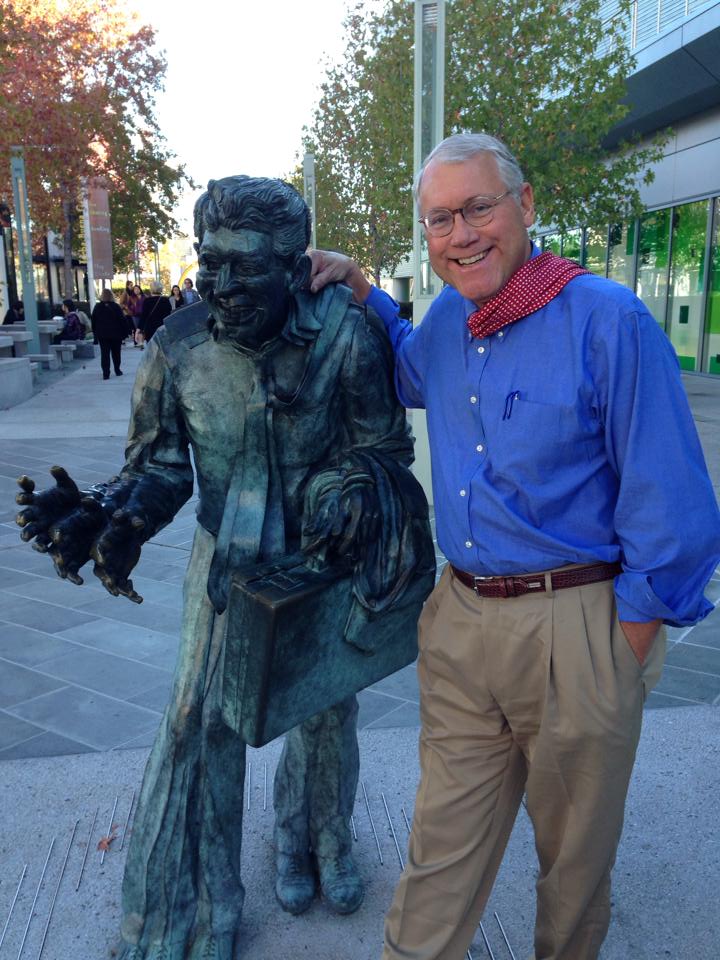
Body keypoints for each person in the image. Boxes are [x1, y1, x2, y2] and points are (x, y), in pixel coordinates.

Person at [309, 132, 720, 960]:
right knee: (439, 846)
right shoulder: (447, 325)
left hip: (579, 627)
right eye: (438, 220)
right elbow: (404, 363)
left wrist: (624, 645)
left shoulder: (609, 320)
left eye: (477, 208)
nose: (460, 234)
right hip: (461, 622)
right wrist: (360, 287)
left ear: (525, 206)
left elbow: (673, 510)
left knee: (572, 862)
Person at [15, 175, 433, 960]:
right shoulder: (178, 344)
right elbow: (160, 464)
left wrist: (348, 494)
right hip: (223, 557)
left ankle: (318, 839)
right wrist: (120, 513)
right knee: (195, 721)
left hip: (321, 556)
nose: (222, 284)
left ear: (290, 266)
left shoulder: (346, 334)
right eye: (211, 263)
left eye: (244, 267)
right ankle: (195, 897)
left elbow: (385, 447)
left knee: (326, 710)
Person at [91, 288, 126, 379]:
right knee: (116, 353)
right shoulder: (116, 307)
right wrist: (125, 332)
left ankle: (106, 373)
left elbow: (93, 321)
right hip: (116, 334)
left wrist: (95, 334)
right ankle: (117, 370)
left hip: (102, 334)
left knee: (105, 353)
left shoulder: (97, 307)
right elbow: (122, 320)